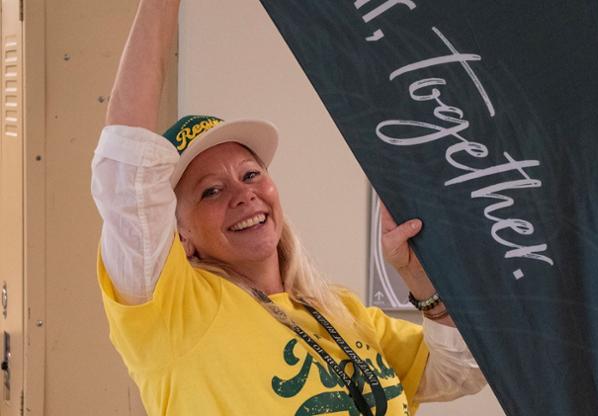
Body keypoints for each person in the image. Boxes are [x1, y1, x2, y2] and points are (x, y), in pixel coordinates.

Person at [91, 0, 486, 414]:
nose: (243, 195)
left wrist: (419, 279)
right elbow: (125, 168)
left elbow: (459, 373)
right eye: (211, 191)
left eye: (250, 174)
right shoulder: (175, 313)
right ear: (179, 235)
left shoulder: (339, 309)